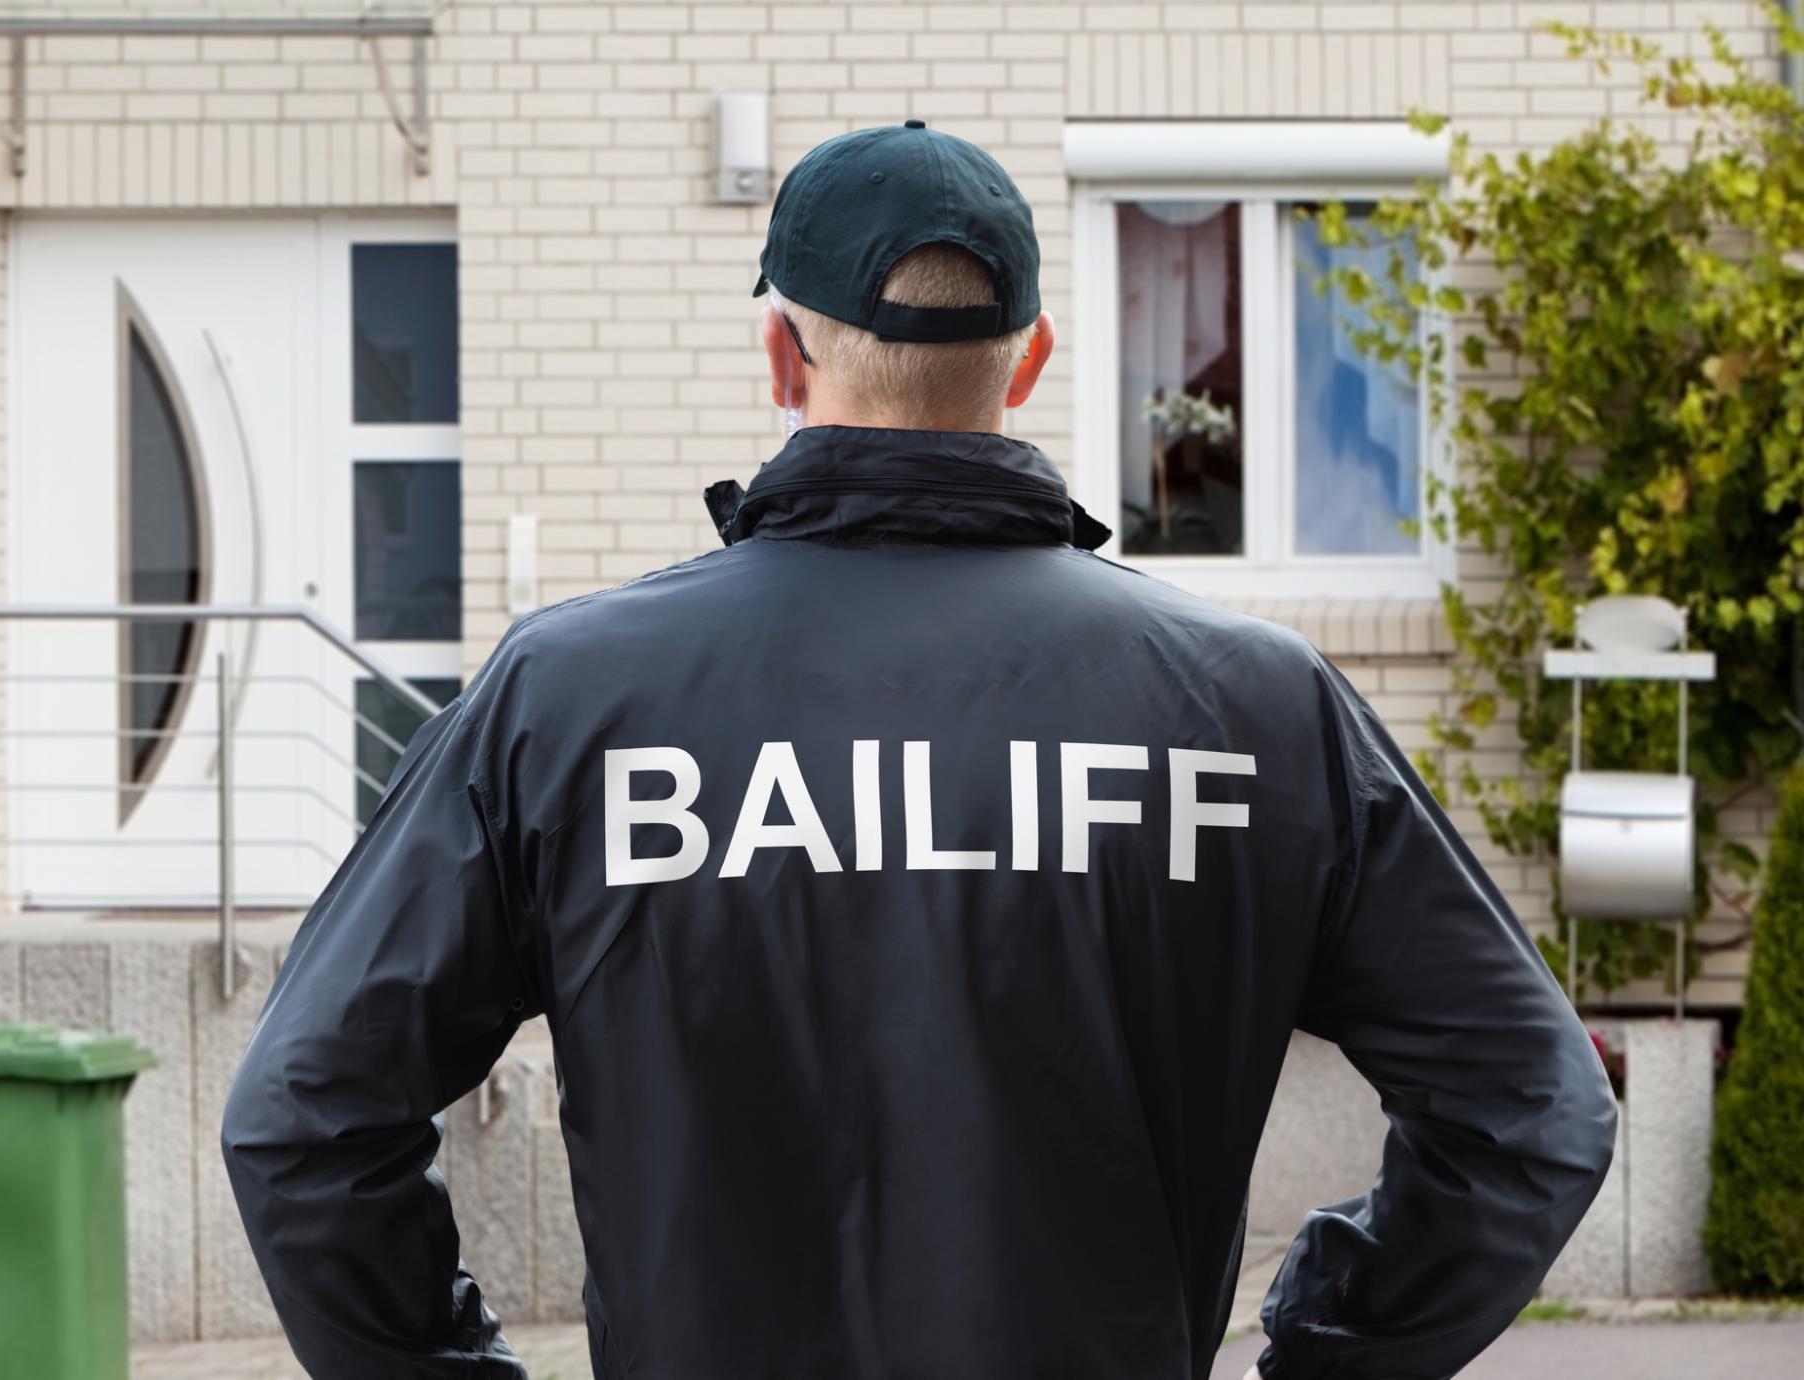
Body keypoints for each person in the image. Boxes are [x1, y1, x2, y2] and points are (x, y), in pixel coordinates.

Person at [222, 121, 1617, 1380]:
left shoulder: (568, 699)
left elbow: (305, 1120)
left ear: (781, 354)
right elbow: (1531, 1110)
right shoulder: (1253, 706)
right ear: (1030, 358)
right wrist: (1330, 1350)